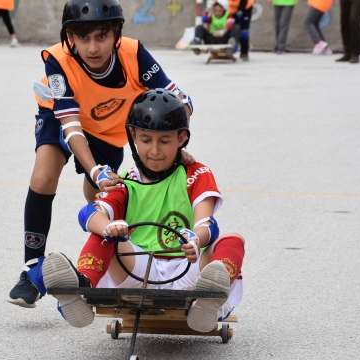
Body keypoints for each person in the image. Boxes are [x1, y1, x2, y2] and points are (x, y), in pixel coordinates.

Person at [6, 0, 194, 309]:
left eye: (101, 36)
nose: (92, 47)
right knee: (43, 175)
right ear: (71, 38)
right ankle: (32, 270)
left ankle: (105, 268)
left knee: (100, 201)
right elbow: (70, 124)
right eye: (83, 38)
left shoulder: (134, 54)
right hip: (61, 118)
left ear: (116, 34)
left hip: (106, 128)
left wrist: (178, 147)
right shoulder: (56, 61)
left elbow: (178, 102)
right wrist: (95, 169)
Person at [37, 89, 245, 332]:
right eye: (146, 140)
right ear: (133, 136)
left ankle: (209, 300)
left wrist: (195, 238)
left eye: (165, 141)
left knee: (233, 240)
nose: (155, 150)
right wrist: (109, 227)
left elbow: (207, 222)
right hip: (137, 270)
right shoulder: (126, 182)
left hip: (188, 270)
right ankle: (81, 291)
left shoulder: (196, 173)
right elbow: (88, 214)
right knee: (104, 235)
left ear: (181, 139)